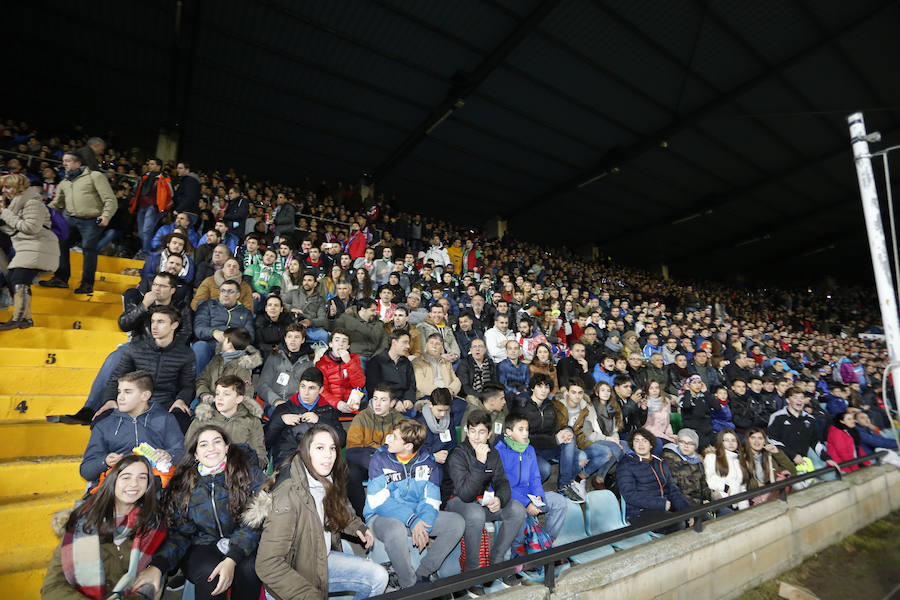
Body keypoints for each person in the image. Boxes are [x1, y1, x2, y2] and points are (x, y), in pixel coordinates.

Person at [253, 424, 389, 599]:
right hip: (293, 577)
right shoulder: (288, 495)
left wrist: (357, 526)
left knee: (378, 576)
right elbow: (267, 564)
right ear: (306, 451)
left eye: (332, 448)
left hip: (318, 557)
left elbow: (339, 509)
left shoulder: (325, 477)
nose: (328, 455)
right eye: (320, 448)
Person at [134, 426, 265, 599]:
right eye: (203, 444)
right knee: (210, 573)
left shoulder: (250, 475)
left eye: (217, 442)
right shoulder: (184, 484)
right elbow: (180, 533)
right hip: (202, 545)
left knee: (249, 569)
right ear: (196, 454)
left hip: (243, 545)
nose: (211, 448)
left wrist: (232, 558)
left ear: (227, 447)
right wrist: (158, 565)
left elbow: (254, 522)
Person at [42, 455, 166, 600]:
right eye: (126, 477)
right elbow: (53, 587)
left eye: (142, 477)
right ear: (113, 481)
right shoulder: (83, 525)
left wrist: (157, 567)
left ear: (148, 485)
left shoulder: (153, 523)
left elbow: (151, 580)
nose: (134, 484)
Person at [364, 419, 465, 588]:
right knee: (396, 529)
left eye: (394, 437)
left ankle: (423, 573)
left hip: (416, 516)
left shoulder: (427, 461)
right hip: (381, 517)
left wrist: (422, 526)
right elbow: (378, 500)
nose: (388, 439)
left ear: (408, 446)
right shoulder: (380, 458)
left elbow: (431, 499)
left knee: (456, 523)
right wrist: (412, 520)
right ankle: (409, 585)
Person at [446, 410, 527, 586]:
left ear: (489, 434)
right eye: (472, 431)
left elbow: (503, 483)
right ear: (467, 431)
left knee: (517, 510)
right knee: (476, 513)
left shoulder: (493, 454)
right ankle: (473, 574)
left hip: (478, 501)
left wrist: (499, 499)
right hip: (455, 502)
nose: (476, 437)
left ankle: (497, 562)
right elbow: (465, 494)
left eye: (481, 432)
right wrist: (479, 463)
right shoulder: (458, 454)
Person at [98, 305, 196, 432]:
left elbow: (187, 385)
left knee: (182, 422)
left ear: (174, 325)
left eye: (161, 322)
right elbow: (115, 379)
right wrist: (110, 400)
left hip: (166, 404)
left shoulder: (185, 353)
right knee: (100, 420)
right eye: (153, 321)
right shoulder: (136, 348)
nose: (154, 326)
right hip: (134, 402)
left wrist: (181, 400)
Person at [80, 369, 185, 486]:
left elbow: (182, 453)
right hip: (116, 486)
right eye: (119, 392)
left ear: (145, 395)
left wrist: (170, 455)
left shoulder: (165, 419)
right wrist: (105, 462)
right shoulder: (104, 425)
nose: (120, 397)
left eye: (127, 392)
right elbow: (86, 471)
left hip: (154, 485)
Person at [41, 151, 116, 294]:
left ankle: (87, 283)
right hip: (70, 217)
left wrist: (106, 215)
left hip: (91, 219)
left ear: (78, 163)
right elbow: (57, 203)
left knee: (88, 248)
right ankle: (61, 278)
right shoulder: (64, 182)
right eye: (63, 161)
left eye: (68, 160)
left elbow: (110, 199)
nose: (64, 164)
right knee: (60, 243)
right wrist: (40, 210)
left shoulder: (95, 176)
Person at [494, 413, 568, 554]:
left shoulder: (529, 449)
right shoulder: (498, 452)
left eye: (527, 429)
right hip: (509, 498)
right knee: (519, 511)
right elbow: (502, 485)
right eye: (520, 429)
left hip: (529, 496)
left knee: (559, 502)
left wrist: (538, 496)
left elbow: (535, 477)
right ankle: (519, 550)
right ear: (509, 432)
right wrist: (527, 503)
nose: (525, 433)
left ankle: (544, 544)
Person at [0, 173, 59, 329]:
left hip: (39, 246)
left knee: (18, 279)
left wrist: (5, 213)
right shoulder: (16, 204)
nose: (4, 190)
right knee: (14, 278)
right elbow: (11, 227)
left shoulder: (33, 203)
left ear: (18, 187)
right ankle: (25, 319)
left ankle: (18, 319)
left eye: (8, 187)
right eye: (3, 187)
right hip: (27, 247)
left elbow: (31, 228)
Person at [515, 373, 584, 503]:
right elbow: (524, 438)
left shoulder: (549, 405)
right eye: (539, 386)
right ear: (532, 388)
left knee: (572, 442)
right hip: (530, 450)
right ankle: (524, 493)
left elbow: (555, 428)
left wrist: (566, 432)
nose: (544, 390)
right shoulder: (522, 406)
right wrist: (554, 440)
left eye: (547, 387)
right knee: (545, 469)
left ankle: (564, 485)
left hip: (549, 447)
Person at [617, 428, 693, 534]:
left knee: (701, 516)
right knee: (678, 523)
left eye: (644, 440)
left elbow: (673, 490)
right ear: (632, 445)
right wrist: (660, 503)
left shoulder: (660, 463)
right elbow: (630, 495)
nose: (641, 444)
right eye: (637, 441)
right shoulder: (626, 464)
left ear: (651, 445)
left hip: (663, 508)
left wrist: (687, 511)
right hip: (639, 512)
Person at [345, 384, 406, 517]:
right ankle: (363, 515)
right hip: (365, 462)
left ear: (392, 403)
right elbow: (351, 450)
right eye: (375, 398)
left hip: (389, 463)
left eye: (383, 400)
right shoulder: (362, 417)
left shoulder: (400, 421)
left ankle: (396, 512)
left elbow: (405, 447)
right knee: (351, 472)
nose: (377, 404)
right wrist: (374, 460)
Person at [266, 367, 346, 466]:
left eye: (311, 388)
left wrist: (319, 420)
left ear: (321, 390)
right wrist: (280, 420)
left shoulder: (328, 410)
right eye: (303, 386)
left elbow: (341, 441)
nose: (306, 392)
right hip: (288, 459)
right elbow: (266, 440)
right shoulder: (285, 408)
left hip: (318, 460)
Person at [187, 375, 267, 469]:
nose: (219, 398)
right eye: (217, 394)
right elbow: (188, 451)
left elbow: (261, 458)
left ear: (239, 399)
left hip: (239, 473)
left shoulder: (251, 421)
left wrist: (243, 465)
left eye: (226, 394)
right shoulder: (203, 419)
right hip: (206, 472)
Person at [562, 378, 623, 489]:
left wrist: (615, 439)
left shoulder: (612, 408)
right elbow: (589, 433)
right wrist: (609, 439)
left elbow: (615, 430)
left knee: (626, 445)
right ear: (596, 392)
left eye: (608, 390)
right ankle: (596, 478)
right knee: (614, 449)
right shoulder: (590, 407)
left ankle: (612, 476)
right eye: (603, 390)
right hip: (591, 439)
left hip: (603, 439)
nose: (606, 393)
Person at [767, 386, 839, 474]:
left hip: (802, 463)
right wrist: (792, 455)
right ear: (788, 400)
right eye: (795, 398)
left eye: (802, 398)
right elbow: (772, 440)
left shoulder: (810, 419)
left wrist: (827, 458)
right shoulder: (777, 417)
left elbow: (815, 442)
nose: (799, 400)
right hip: (782, 464)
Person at [192, 279, 255, 373]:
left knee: (246, 353)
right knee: (200, 346)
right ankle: (199, 383)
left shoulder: (245, 312)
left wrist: (232, 338)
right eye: (223, 291)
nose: (226, 294)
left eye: (230, 291)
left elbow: (250, 336)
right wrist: (214, 332)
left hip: (234, 347)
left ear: (238, 295)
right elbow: (199, 328)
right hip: (210, 344)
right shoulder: (207, 305)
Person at [194, 326, 263, 406]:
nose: (221, 343)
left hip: (229, 409)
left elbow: (246, 391)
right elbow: (202, 380)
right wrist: (204, 393)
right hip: (209, 404)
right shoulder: (216, 360)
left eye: (224, 340)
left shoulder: (243, 366)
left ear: (230, 344)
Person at [257, 323, 315, 411]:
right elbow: (262, 386)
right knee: (283, 417)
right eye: (289, 336)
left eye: (297, 337)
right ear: (285, 339)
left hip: (299, 405)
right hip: (275, 404)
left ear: (302, 340)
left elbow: (311, 387)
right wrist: (277, 401)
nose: (293, 340)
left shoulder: (309, 361)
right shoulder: (274, 357)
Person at [315, 329, 366, 414]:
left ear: (348, 346)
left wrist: (349, 362)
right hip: (331, 406)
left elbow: (359, 384)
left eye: (344, 341)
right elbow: (322, 391)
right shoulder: (321, 364)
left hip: (352, 405)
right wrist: (337, 403)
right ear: (331, 344)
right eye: (337, 340)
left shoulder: (354, 360)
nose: (341, 344)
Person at [130, 158, 173, 258]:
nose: (149, 166)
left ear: (158, 166)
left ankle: (145, 253)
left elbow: (171, 194)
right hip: (141, 206)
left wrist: (164, 208)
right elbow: (136, 191)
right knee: (141, 233)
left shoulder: (165, 178)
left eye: (152, 164)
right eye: (149, 164)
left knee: (146, 231)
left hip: (154, 207)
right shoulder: (144, 176)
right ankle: (150, 250)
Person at [365, 330, 417, 412]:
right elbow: (374, 388)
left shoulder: (406, 362)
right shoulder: (376, 361)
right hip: (383, 401)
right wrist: (394, 402)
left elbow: (411, 384)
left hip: (403, 401)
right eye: (405, 342)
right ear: (394, 342)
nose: (408, 346)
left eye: (408, 343)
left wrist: (409, 399)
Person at [661, 428, 712, 507]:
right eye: (682, 442)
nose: (686, 446)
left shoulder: (697, 461)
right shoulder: (670, 459)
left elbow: (703, 485)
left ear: (695, 446)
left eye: (690, 443)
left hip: (699, 504)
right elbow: (674, 491)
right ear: (678, 443)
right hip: (683, 507)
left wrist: (708, 499)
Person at [333, 297, 389, 367]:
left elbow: (384, 342)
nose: (375, 313)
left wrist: (376, 356)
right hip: (357, 356)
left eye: (375, 311)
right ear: (363, 309)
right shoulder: (348, 320)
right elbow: (337, 337)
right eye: (372, 310)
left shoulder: (378, 324)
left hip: (375, 358)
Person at [412, 334, 462, 411]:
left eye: (438, 344)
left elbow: (456, 381)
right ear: (426, 345)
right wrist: (441, 393)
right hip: (428, 395)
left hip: (448, 394)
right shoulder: (417, 362)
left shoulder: (446, 362)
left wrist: (451, 390)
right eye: (431, 343)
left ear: (442, 348)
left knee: (464, 406)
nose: (434, 346)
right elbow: (420, 384)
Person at [703, 429, 749, 511]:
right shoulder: (712, 457)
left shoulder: (739, 460)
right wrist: (725, 488)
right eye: (726, 440)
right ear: (721, 442)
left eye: (733, 440)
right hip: (720, 501)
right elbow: (708, 480)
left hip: (737, 504)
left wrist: (745, 510)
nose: (731, 443)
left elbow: (743, 488)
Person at [742, 427, 796, 493]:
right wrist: (762, 486)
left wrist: (777, 453)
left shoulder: (769, 456)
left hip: (772, 495)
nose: (757, 441)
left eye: (760, 438)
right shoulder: (742, 458)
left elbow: (792, 472)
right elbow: (744, 483)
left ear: (764, 441)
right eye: (753, 438)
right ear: (747, 440)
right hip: (753, 496)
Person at [282, 272, 330, 344]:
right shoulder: (294, 293)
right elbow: (280, 303)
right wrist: (291, 309)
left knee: (324, 335)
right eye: (304, 280)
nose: (306, 283)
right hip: (292, 326)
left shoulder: (320, 300)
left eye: (309, 280)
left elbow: (322, 319)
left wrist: (310, 322)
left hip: (309, 329)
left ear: (315, 284)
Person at [456, 337, 498, 403]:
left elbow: (494, 382)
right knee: (473, 399)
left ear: (485, 349)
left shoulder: (490, 362)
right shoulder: (465, 363)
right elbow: (465, 387)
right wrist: (481, 395)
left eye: (480, 346)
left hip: (488, 394)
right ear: (471, 350)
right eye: (474, 347)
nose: (477, 349)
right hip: (471, 395)